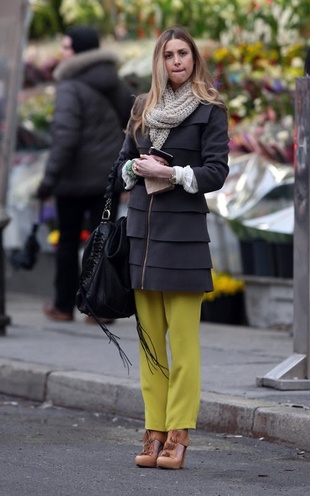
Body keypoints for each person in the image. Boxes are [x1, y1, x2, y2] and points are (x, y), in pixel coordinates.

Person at [115, 26, 230, 469]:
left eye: (184, 54)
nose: (176, 61)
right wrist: (134, 167)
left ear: (194, 59)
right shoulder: (142, 108)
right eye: (169, 55)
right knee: (149, 344)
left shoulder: (208, 109)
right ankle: (153, 431)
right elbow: (120, 165)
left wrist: (174, 173)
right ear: (158, 62)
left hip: (184, 238)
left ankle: (178, 434)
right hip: (142, 237)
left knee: (183, 344)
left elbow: (217, 172)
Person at [36, 26, 133, 322]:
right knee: (103, 239)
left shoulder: (69, 85)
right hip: (107, 178)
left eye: (66, 47)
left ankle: (64, 306)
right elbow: (132, 121)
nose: (61, 52)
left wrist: (49, 179)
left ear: (77, 51)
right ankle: (101, 307)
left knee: (67, 240)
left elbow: (65, 136)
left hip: (74, 180)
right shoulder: (114, 81)